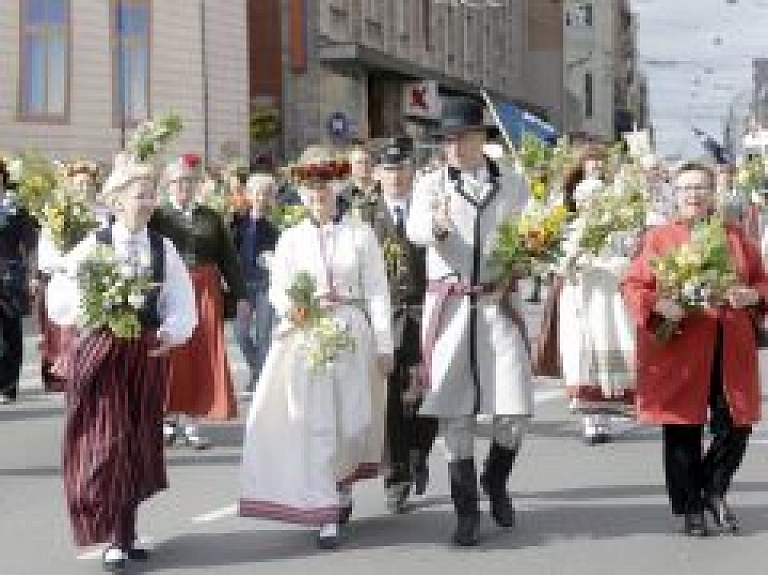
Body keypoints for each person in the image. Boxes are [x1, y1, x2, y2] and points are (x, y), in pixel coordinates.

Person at [46, 153, 197, 570]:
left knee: (137, 443)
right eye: (139, 195)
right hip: (102, 353)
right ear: (116, 201)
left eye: (150, 195)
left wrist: (171, 333)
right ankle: (112, 535)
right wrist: (94, 310)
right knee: (107, 441)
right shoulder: (94, 245)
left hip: (144, 354)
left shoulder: (162, 247)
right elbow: (60, 297)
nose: (147, 202)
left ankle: (126, 534)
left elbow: (180, 302)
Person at [240, 146, 393, 549]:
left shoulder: (360, 234)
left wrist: (384, 343)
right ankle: (324, 503)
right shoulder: (292, 239)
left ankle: (342, 482)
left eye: (323, 186)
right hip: (308, 333)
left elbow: (377, 290)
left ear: (337, 186)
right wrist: (294, 308)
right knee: (317, 419)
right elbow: (277, 288)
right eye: (309, 188)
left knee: (355, 420)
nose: (317, 194)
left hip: (352, 332)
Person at [407, 98, 532, 546]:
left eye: (463, 137)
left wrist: (520, 269)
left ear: (483, 139)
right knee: (454, 415)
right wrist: (436, 228)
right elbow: (416, 229)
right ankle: (466, 510)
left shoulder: (513, 184)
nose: (455, 146)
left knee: (513, 413)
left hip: (499, 305)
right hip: (453, 310)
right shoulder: (430, 185)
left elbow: (529, 240)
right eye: (448, 139)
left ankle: (495, 479)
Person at [621, 161, 767, 537]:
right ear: (675, 194)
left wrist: (753, 294)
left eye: (701, 187)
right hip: (682, 345)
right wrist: (658, 304)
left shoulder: (736, 237)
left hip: (730, 343)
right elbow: (634, 286)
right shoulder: (659, 238)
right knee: (682, 428)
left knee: (737, 425)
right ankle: (691, 507)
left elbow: (762, 283)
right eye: (686, 188)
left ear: (712, 193)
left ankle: (713, 490)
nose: (694, 194)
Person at [359, 139, 438, 513]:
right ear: (377, 175)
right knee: (389, 399)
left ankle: (421, 450)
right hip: (385, 317)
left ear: (413, 172)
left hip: (425, 312)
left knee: (427, 392)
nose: (396, 176)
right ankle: (397, 476)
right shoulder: (364, 216)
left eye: (402, 168)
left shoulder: (428, 209)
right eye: (389, 170)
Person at [149, 153, 248, 449]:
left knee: (201, 353)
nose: (184, 186)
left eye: (189, 181)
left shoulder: (210, 216)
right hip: (169, 289)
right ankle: (167, 419)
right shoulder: (158, 216)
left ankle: (193, 420)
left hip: (205, 289)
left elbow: (228, 258)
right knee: (171, 353)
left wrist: (241, 294)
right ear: (168, 185)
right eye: (178, 181)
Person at [558, 161, 638, 444]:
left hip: (607, 300)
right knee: (581, 353)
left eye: (595, 200)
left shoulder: (617, 232)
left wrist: (605, 264)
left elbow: (630, 263)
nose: (589, 205)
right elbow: (557, 264)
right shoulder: (569, 228)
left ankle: (603, 419)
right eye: (584, 200)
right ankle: (590, 421)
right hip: (578, 299)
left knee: (606, 351)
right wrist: (570, 262)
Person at [233, 173, 280, 391]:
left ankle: (259, 378)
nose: (261, 198)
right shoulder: (237, 223)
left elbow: (284, 257)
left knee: (263, 336)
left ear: (271, 198)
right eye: (257, 193)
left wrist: (272, 261)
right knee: (240, 334)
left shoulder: (277, 225)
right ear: (249, 196)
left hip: (265, 285)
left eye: (266, 194)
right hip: (242, 286)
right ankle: (256, 368)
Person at [0, 158, 39, 404]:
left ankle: (8, 385)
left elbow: (32, 245)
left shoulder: (17, 207)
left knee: (12, 332)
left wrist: (33, 275)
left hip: (11, 277)